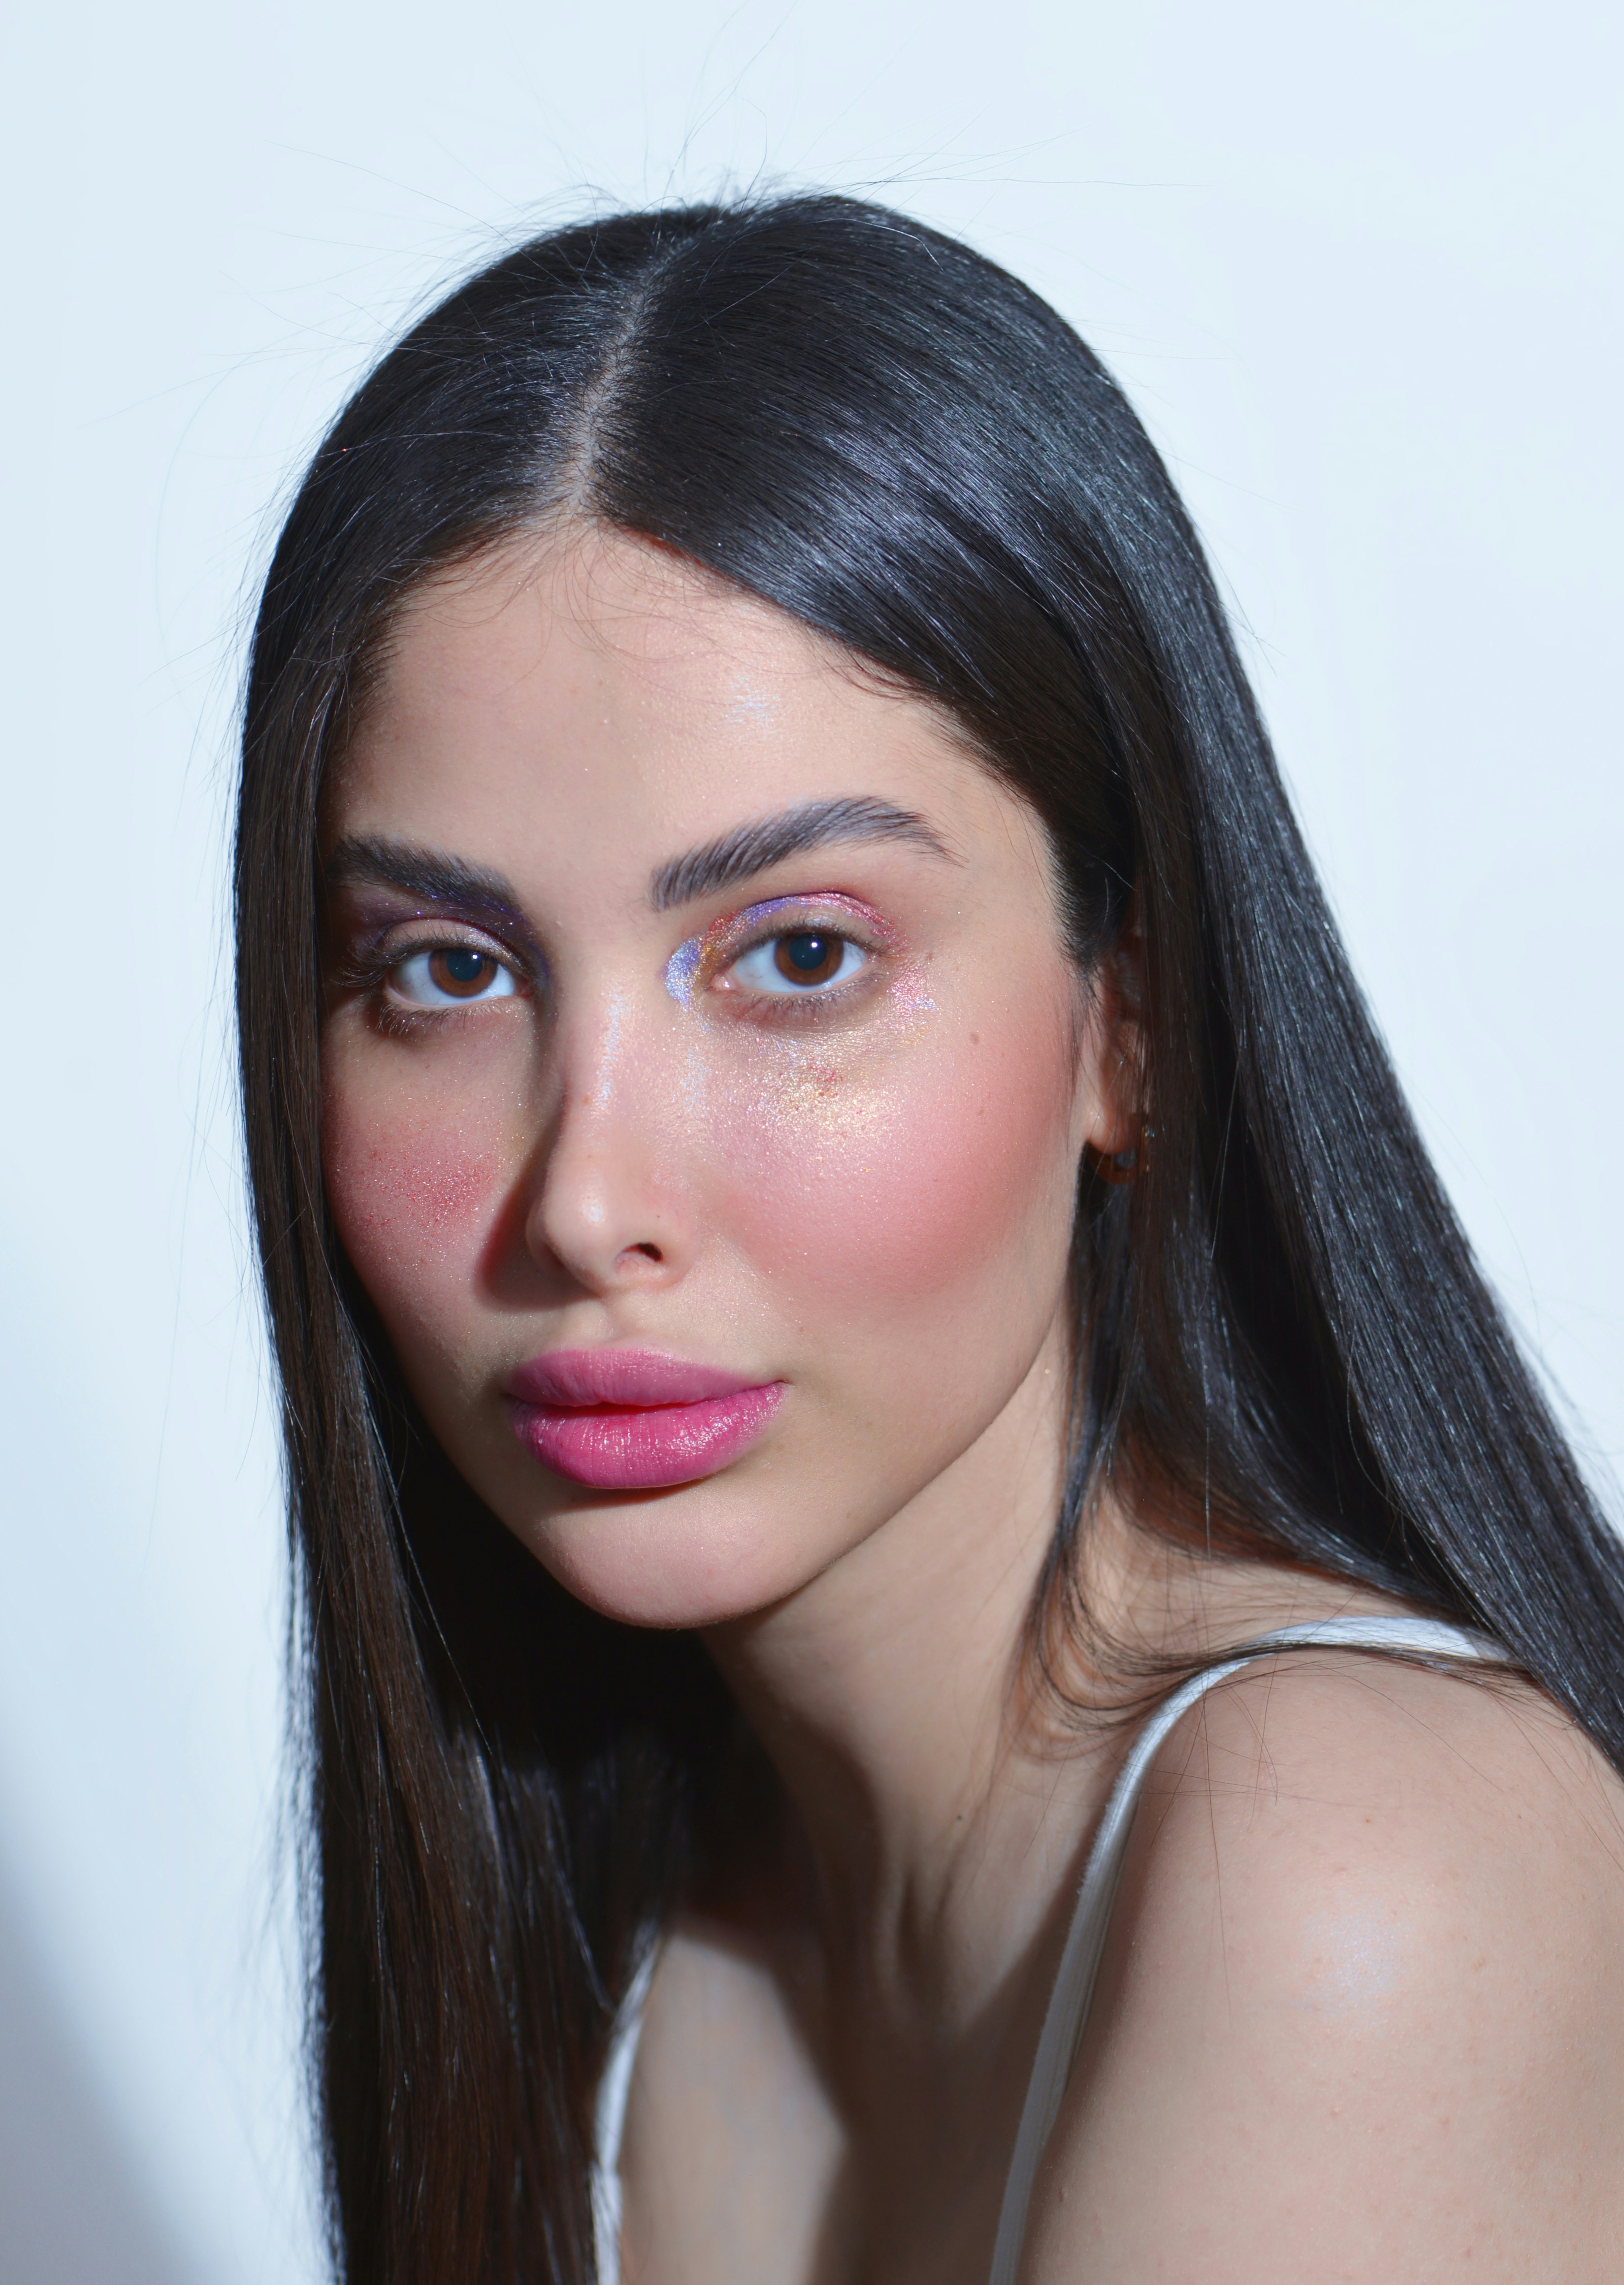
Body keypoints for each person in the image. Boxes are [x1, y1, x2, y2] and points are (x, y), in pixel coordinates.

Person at [235, 195, 1624, 2284]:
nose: (589, 1196)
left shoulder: (1352, 1862)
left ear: (1131, 1024)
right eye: (444, 972)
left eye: (796, 954)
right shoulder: (652, 1924)